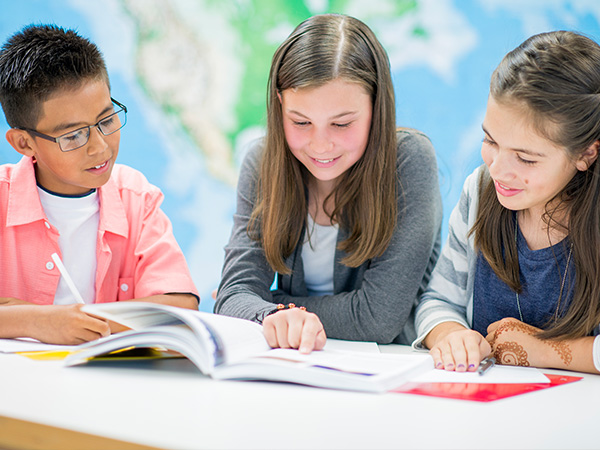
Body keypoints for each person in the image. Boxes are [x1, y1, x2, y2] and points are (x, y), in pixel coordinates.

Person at [215, 14, 442, 353]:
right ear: (280, 106)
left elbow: (378, 319)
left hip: (396, 369)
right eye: (301, 121)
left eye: (341, 124)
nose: (320, 145)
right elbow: (234, 296)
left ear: (376, 108)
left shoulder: (408, 161)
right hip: (306, 364)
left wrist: (274, 305)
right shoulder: (262, 162)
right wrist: (262, 308)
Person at [414, 30, 600, 374]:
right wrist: (451, 334)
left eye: (526, 159)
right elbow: (438, 302)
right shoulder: (480, 191)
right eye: (490, 140)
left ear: (587, 152)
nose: (498, 170)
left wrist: (537, 350)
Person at [0, 24, 199, 345]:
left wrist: (67, 321)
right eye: (73, 135)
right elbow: (157, 312)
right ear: (24, 143)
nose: (100, 147)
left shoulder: (137, 197)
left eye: (106, 120)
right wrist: (39, 321)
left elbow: (179, 305)